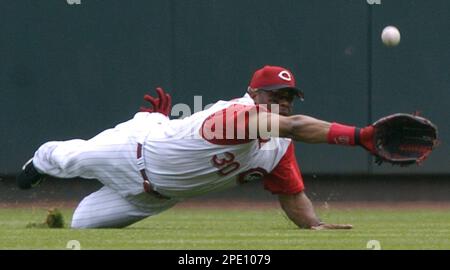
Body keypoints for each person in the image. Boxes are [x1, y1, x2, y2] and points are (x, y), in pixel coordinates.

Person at [17, 65, 375, 229]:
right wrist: (359, 136)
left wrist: (313, 225)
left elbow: (291, 193)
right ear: (253, 95)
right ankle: (38, 160)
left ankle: (152, 120)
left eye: (289, 96)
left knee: (81, 225)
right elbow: (297, 126)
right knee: (65, 158)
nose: (283, 101)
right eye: (275, 95)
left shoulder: (278, 146)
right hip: (130, 152)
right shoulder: (236, 114)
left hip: (152, 198)